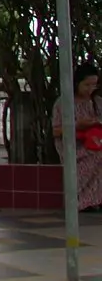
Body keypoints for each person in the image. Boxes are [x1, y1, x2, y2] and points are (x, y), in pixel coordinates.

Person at [52, 62, 102, 211]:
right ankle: (83, 201)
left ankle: (95, 199)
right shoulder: (63, 103)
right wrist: (77, 125)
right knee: (97, 157)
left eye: (94, 85)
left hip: (95, 142)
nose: (90, 89)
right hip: (74, 146)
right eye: (87, 85)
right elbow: (55, 131)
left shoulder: (97, 102)